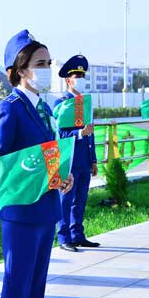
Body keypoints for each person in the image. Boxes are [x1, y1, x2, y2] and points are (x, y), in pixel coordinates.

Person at [0, 30, 74, 298]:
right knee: (17, 288)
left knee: (34, 290)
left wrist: (60, 177)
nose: (47, 69)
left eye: (49, 63)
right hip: (21, 214)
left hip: (43, 209)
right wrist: (40, 170)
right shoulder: (10, 109)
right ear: (21, 70)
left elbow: (46, 157)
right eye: (41, 64)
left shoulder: (42, 108)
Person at [53, 55, 99, 251]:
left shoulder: (85, 102)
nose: (80, 78)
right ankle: (64, 237)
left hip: (84, 159)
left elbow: (91, 134)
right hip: (69, 159)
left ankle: (77, 234)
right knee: (66, 198)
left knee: (81, 199)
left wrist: (94, 159)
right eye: (76, 75)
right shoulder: (62, 103)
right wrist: (80, 132)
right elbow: (61, 132)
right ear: (68, 80)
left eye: (82, 75)